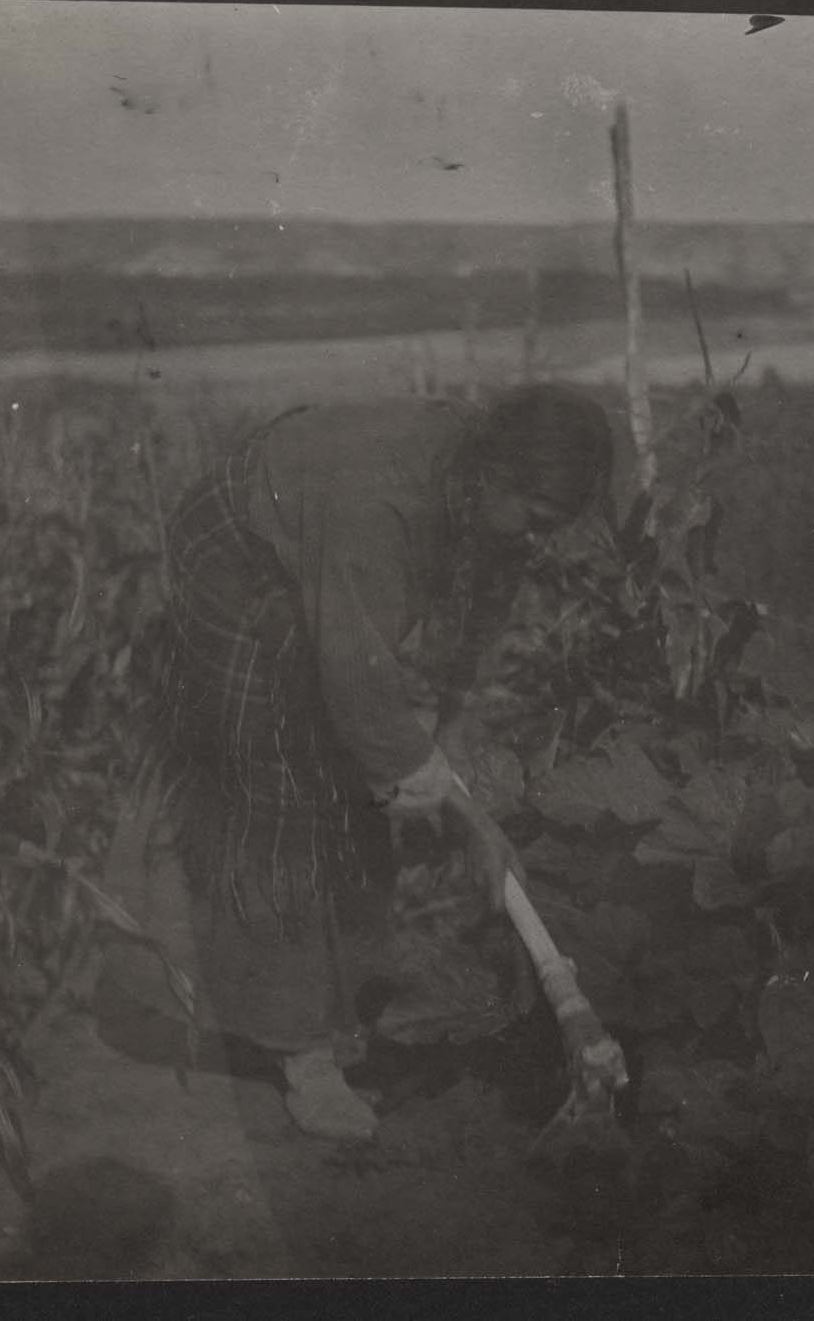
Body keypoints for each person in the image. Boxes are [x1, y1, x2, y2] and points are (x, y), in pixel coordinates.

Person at [153, 383, 614, 1142]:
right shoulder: (383, 504)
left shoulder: (485, 506)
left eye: (550, 530)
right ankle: (299, 1052)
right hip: (238, 552)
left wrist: (448, 774)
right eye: (533, 522)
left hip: (323, 544)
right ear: (495, 473)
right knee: (284, 785)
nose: (538, 541)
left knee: (366, 780)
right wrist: (451, 805)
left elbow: (462, 643)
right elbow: (356, 679)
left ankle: (340, 1001)